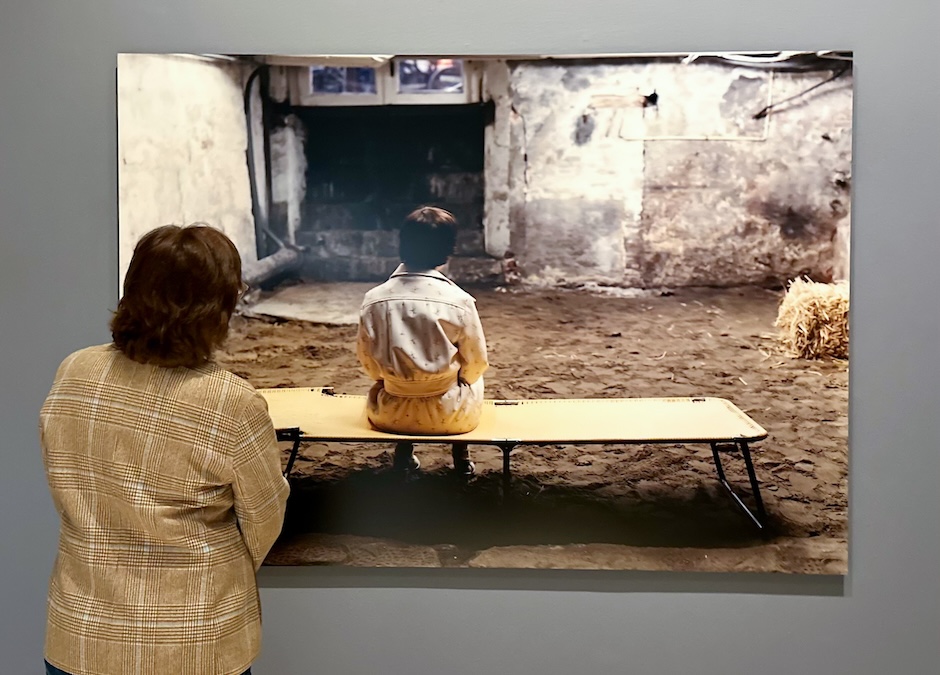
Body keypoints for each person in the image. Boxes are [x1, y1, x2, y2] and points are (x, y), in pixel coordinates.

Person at [39, 224, 290, 675]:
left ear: (132, 288)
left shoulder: (75, 370)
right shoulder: (232, 404)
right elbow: (264, 523)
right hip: (194, 641)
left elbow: (62, 473)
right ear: (221, 308)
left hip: (82, 635)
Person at [356, 206, 489, 476]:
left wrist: (397, 379)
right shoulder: (459, 301)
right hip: (451, 416)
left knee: (396, 380)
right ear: (447, 248)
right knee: (473, 377)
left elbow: (368, 363)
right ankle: (461, 456)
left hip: (390, 415)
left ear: (403, 243)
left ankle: (403, 455)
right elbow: (477, 363)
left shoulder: (374, 299)